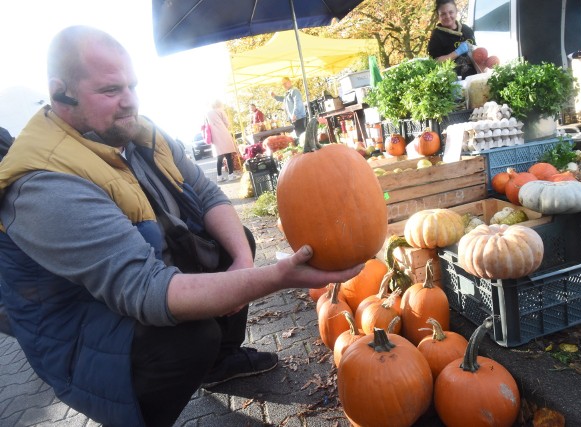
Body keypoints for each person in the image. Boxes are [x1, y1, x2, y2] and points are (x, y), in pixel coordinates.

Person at [0, 26, 363, 427]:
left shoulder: (139, 132)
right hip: (76, 330)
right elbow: (145, 290)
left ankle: (219, 363)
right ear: (61, 92)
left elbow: (209, 196)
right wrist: (275, 278)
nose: (129, 102)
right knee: (188, 341)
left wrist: (243, 263)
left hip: (141, 275)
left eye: (132, 86)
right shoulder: (45, 184)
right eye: (110, 91)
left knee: (233, 240)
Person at [427, 0, 477, 79]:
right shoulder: (436, 36)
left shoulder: (467, 30)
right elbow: (436, 62)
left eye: (451, 12)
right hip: (452, 81)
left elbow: (476, 53)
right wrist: (457, 52)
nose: (447, 16)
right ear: (438, 16)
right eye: (443, 14)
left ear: (456, 12)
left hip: (474, 79)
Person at [206, 100, 238, 181]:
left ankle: (219, 176)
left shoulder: (207, 113)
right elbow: (227, 123)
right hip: (223, 134)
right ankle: (231, 175)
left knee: (219, 157)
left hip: (215, 136)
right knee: (228, 156)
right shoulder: (220, 111)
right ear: (219, 104)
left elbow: (207, 125)